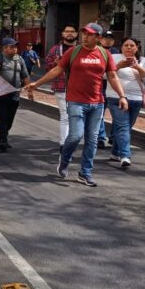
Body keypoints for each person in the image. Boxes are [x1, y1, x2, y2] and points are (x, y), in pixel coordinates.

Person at [26, 23, 128, 187]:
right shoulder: (72, 52)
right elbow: (57, 70)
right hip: (75, 102)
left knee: (92, 140)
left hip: (97, 103)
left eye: (90, 34)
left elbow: (112, 76)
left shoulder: (104, 54)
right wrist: (36, 84)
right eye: (84, 33)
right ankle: (65, 160)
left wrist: (122, 96)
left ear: (98, 37)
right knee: (75, 136)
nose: (85, 36)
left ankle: (85, 173)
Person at [106, 37, 145, 168]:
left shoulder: (143, 61)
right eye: (126, 45)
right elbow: (105, 75)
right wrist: (119, 66)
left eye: (132, 45)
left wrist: (138, 67)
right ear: (121, 47)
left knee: (126, 127)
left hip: (137, 99)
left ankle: (115, 152)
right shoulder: (114, 57)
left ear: (137, 48)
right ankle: (125, 155)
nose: (129, 47)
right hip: (116, 98)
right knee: (123, 127)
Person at [0, 38, 32, 152]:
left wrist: (30, 90)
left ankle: (3, 136)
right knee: (3, 117)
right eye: (12, 47)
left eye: (15, 47)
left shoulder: (20, 59)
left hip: (15, 94)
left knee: (10, 119)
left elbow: (25, 76)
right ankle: (2, 140)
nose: (14, 49)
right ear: (4, 48)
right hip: (1, 94)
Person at [44, 24, 79, 150]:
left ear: (76, 34)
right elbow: (47, 67)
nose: (70, 33)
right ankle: (64, 143)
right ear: (63, 34)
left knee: (76, 116)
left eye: (72, 31)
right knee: (65, 115)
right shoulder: (55, 49)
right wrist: (55, 63)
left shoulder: (81, 49)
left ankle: (73, 139)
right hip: (61, 86)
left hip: (80, 88)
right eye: (67, 31)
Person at [96, 30, 121, 149]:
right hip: (99, 86)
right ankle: (100, 137)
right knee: (99, 113)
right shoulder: (96, 51)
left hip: (112, 87)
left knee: (116, 114)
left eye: (110, 38)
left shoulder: (117, 53)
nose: (108, 40)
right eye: (106, 38)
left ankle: (113, 137)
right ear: (100, 39)